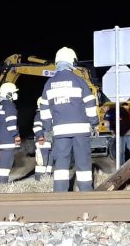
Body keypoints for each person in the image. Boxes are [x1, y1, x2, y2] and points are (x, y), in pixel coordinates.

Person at [40, 47, 99, 192]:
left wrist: (47, 129)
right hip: (81, 131)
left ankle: (60, 195)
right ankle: (86, 193)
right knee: (83, 164)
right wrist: (94, 124)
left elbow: (44, 110)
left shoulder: (48, 84)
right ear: (72, 61)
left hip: (60, 132)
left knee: (60, 165)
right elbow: (90, 104)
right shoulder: (80, 81)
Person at [0, 82, 21, 184]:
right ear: (8, 93)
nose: (15, 94)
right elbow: (11, 123)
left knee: (3, 161)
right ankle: (2, 184)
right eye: (13, 92)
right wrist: (16, 135)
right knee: (7, 162)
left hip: (1, 138)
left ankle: (1, 182)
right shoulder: (10, 106)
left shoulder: (1, 106)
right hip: (8, 139)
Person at [33, 97, 53, 181]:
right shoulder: (39, 115)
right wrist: (40, 137)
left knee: (49, 162)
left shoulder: (49, 115)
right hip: (42, 141)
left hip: (49, 142)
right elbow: (37, 127)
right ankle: (39, 179)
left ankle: (47, 177)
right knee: (42, 161)